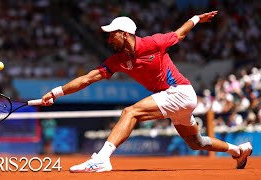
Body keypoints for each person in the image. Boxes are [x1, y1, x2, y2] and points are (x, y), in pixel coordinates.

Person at [42, 11, 253, 173]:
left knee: (130, 112)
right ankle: (238, 150)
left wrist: (196, 18)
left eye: (111, 35)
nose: (108, 40)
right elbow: (88, 78)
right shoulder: (117, 60)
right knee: (195, 142)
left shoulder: (153, 43)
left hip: (180, 92)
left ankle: (102, 159)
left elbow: (180, 34)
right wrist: (56, 92)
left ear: (125, 35)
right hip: (174, 100)